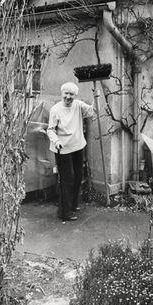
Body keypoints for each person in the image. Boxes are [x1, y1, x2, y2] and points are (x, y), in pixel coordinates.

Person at [47, 82, 94, 221]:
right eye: (66, 93)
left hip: (77, 146)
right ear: (62, 93)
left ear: (75, 95)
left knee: (78, 176)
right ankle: (64, 212)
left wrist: (96, 96)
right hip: (62, 149)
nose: (68, 97)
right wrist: (56, 141)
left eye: (71, 94)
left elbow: (91, 111)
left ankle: (73, 204)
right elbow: (50, 129)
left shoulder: (78, 105)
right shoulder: (55, 110)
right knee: (67, 179)